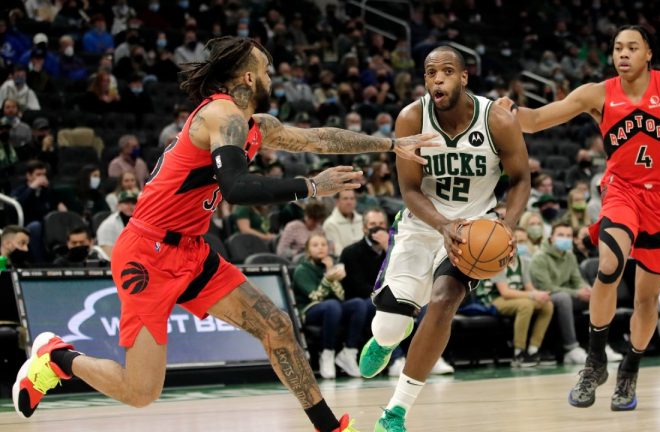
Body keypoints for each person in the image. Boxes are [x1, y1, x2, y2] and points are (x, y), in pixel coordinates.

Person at [13, 36, 436, 432]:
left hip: (191, 251)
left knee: (277, 326)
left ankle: (331, 427)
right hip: (147, 253)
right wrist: (310, 186)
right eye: (267, 71)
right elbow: (235, 188)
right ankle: (57, 358)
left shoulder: (255, 124)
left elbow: (316, 137)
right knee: (141, 393)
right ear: (249, 77)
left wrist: (389, 146)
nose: (273, 78)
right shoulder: (221, 115)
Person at [498, 25, 660, 411]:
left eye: (633, 47)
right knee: (609, 264)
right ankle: (595, 359)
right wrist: (508, 111)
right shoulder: (598, 93)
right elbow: (535, 121)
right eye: (618, 47)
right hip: (621, 191)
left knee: (647, 301)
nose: (624, 54)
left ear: (649, 53)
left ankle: (630, 369)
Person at [358, 46, 530, 431]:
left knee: (444, 300)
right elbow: (409, 189)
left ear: (464, 77)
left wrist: (509, 225)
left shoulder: (497, 120)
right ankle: (389, 338)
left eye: (447, 71)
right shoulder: (411, 119)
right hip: (422, 226)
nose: (438, 78)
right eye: (430, 72)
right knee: (386, 327)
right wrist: (441, 225)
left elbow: (521, 180)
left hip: (473, 229)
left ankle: (395, 412)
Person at [292, 233, 367, 379]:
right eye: (315, 245)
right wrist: (328, 279)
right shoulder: (302, 270)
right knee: (332, 305)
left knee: (359, 304)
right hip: (311, 310)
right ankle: (327, 353)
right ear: (307, 250)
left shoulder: (331, 265)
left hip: (334, 309)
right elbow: (315, 296)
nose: (320, 247)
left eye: (323, 244)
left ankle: (349, 352)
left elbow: (341, 296)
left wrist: (330, 271)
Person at [484, 252, 553, 367]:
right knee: (526, 305)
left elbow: (529, 288)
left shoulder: (523, 262)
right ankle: (518, 353)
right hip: (494, 299)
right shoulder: (495, 260)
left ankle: (533, 349)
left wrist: (540, 294)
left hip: (516, 298)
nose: (517, 246)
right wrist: (532, 295)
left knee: (547, 305)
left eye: (519, 242)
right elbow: (505, 293)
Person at [322, 190, 363, 256]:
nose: (349, 202)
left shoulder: (362, 220)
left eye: (352, 198)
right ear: (337, 202)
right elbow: (337, 252)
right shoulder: (330, 224)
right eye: (345, 199)